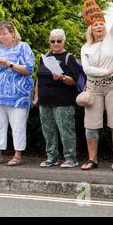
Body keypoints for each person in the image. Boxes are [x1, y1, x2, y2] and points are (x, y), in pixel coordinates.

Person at [80, 0, 113, 171]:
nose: (99, 26)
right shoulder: (86, 48)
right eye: (95, 24)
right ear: (90, 28)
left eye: (101, 23)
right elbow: (87, 69)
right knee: (91, 124)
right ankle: (92, 159)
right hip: (94, 87)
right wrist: (108, 70)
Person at [0, 20, 34, 166]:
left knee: (18, 125)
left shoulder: (23, 47)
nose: (2, 37)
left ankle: (18, 155)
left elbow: (29, 69)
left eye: (5, 33)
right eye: (0, 34)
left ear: (13, 34)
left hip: (18, 95)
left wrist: (9, 64)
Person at [33, 29, 80, 168]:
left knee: (66, 131)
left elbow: (74, 80)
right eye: (52, 41)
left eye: (59, 41)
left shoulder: (68, 57)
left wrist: (62, 77)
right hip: (45, 101)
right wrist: (36, 96)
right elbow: (38, 78)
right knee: (48, 131)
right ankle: (52, 157)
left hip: (63, 102)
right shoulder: (45, 57)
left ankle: (71, 158)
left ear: (63, 41)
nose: (55, 43)